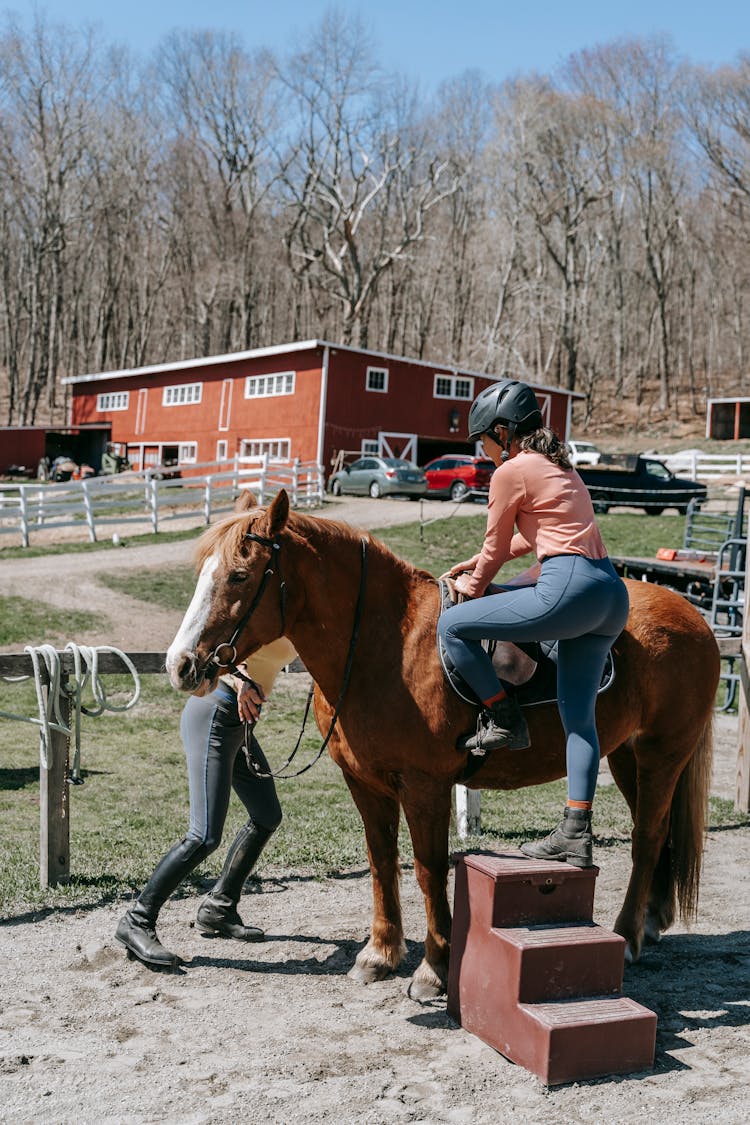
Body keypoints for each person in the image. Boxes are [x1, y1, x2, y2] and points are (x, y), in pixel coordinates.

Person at [437, 380, 629, 867]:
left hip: (567, 587)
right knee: (578, 718)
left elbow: (498, 547)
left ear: (502, 432)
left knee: (455, 627)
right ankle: (574, 833)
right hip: (609, 593)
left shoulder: (511, 471)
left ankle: (504, 718)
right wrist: (473, 563)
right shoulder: (558, 466)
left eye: (484, 439)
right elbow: (535, 537)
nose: (483, 449)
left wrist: (472, 587)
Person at [115, 637, 297, 967]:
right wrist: (241, 678)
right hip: (215, 711)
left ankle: (220, 906)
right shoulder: (262, 597)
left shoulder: (296, 615)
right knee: (203, 835)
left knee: (266, 815)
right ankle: (137, 920)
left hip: (239, 725)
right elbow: (225, 638)